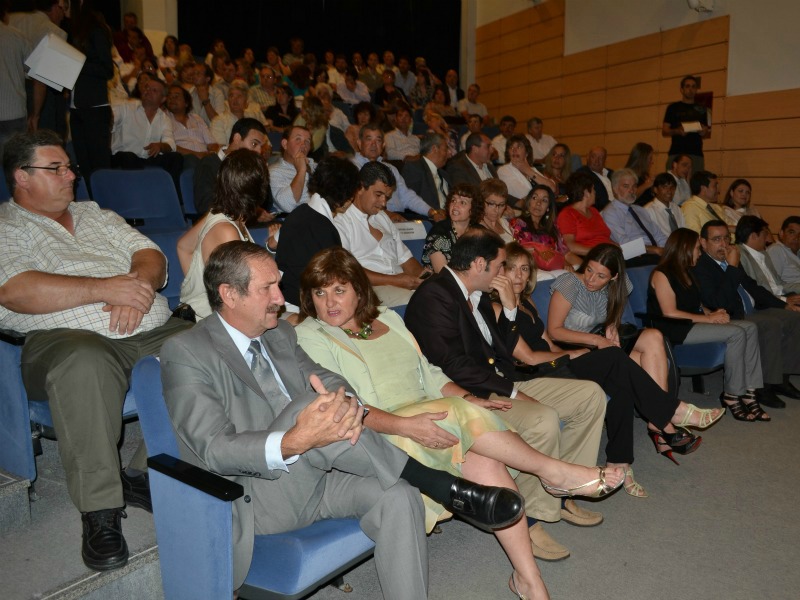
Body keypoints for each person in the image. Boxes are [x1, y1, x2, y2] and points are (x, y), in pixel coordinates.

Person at [160, 240, 524, 597]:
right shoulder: (188, 352)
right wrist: (295, 440)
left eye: (278, 283)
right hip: (257, 494)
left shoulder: (279, 335)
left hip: (319, 476)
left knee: (399, 497)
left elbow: (330, 379)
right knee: (308, 404)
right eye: (267, 288)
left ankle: (424, 489)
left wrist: (341, 403)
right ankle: (439, 483)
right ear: (229, 293)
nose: (279, 298)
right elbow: (214, 449)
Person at [296, 247, 625, 600]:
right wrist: (408, 425)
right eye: (320, 292)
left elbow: (432, 375)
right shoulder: (311, 336)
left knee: (488, 461)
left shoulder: (388, 319)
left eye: (339, 290)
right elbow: (347, 406)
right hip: (380, 434)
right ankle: (555, 473)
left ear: (359, 290)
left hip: (435, 414)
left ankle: (528, 580)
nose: (329, 301)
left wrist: (472, 401)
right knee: (455, 413)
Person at [0, 130, 193, 571]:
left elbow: (150, 256)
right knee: (83, 362)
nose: (71, 175)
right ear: (21, 177)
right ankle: (100, 510)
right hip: (62, 342)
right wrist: (104, 289)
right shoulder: (6, 227)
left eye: (70, 166)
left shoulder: (94, 214)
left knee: (207, 346)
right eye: (56, 168)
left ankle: (143, 472)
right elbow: (14, 290)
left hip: (145, 329)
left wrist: (137, 288)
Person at [405, 229, 611, 562]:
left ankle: (559, 494)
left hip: (502, 380)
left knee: (591, 395)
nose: (504, 273)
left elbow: (502, 352)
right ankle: (527, 518)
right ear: (478, 264)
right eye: (500, 265)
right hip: (469, 394)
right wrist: (514, 391)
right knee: (542, 418)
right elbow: (452, 365)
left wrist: (512, 310)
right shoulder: (435, 295)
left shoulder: (479, 293)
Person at [500, 242, 723, 495]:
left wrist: (597, 336)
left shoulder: (525, 304)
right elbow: (530, 355)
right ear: (498, 272)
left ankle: (620, 461)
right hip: (545, 369)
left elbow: (547, 343)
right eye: (511, 268)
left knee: (624, 379)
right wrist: (574, 352)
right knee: (616, 360)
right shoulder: (502, 307)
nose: (519, 275)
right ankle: (670, 410)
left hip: (562, 359)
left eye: (524, 269)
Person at [546, 244, 721, 465]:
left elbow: (613, 308)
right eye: (589, 270)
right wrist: (598, 340)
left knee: (653, 336)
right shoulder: (570, 283)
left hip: (601, 345)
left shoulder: (621, 284)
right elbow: (554, 330)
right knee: (635, 362)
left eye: (601, 276)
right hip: (574, 351)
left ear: (614, 277)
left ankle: (659, 421)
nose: (591, 279)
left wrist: (611, 324)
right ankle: (667, 416)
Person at [648, 228, 766, 421]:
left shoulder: (687, 271)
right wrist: (708, 319)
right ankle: (732, 394)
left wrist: (712, 313)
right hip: (675, 329)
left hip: (692, 323)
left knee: (750, 327)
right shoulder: (662, 274)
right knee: (736, 333)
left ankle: (750, 391)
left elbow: (695, 304)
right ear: (685, 249)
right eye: (697, 248)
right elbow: (670, 312)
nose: (700, 253)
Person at [692, 220, 800, 408]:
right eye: (717, 239)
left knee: (793, 317)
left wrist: (782, 304)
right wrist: (732, 268)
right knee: (770, 324)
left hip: (751, 309)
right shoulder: (701, 267)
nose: (724, 244)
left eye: (726, 238)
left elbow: (753, 287)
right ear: (703, 242)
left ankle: (782, 377)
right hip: (732, 315)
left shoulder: (730, 260)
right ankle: (764, 387)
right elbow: (718, 303)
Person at [178, 149, 276, 319]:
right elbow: (240, 295)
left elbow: (182, 247)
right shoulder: (227, 230)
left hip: (220, 313)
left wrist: (199, 286)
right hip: (217, 319)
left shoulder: (218, 214)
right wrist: (201, 296)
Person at [335, 162, 429, 307]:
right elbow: (348, 271)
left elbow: (406, 260)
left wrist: (425, 278)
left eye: (387, 197)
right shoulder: (341, 220)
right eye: (378, 195)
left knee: (442, 293)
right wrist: (396, 281)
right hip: (366, 289)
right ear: (360, 188)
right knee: (420, 301)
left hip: (399, 284)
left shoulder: (382, 217)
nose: (383, 203)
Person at [276, 156, 358, 309]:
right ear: (345, 196)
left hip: (287, 299)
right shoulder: (325, 229)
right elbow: (333, 283)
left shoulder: (298, 213)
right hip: (303, 306)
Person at [69, 0, 115, 196]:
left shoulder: (96, 31)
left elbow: (107, 69)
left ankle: (106, 210)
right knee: (84, 166)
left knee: (99, 168)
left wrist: (75, 62)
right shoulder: (72, 31)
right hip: (76, 106)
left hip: (95, 107)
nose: (64, 7)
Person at [192, 118, 269, 216]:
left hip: (245, 222)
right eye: (254, 144)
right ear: (237, 138)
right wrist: (251, 211)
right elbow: (205, 205)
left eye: (261, 147)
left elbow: (265, 202)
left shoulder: (251, 169)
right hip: (219, 224)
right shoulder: (209, 164)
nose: (259, 151)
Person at [509, 185, 578, 272]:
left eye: (544, 200)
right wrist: (562, 262)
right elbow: (528, 253)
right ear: (528, 202)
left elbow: (567, 254)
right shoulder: (518, 224)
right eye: (534, 198)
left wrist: (586, 268)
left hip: (555, 270)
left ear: (548, 208)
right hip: (533, 271)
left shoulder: (553, 229)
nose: (538, 203)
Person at [421, 184, 483, 272]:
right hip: (445, 283)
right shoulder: (439, 233)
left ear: (473, 209)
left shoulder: (480, 232)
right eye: (453, 200)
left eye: (462, 202)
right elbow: (443, 273)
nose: (455, 205)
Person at [736, 216, 800, 296]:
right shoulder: (740, 255)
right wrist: (783, 300)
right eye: (765, 235)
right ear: (754, 236)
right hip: (766, 303)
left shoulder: (763, 253)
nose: (767, 239)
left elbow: (779, 284)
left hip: (779, 296)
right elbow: (755, 290)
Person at [556, 171, 614, 258]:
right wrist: (599, 252)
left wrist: (617, 247)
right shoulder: (567, 214)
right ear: (586, 193)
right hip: (591, 258)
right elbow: (569, 246)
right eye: (593, 189)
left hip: (609, 254)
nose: (595, 192)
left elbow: (605, 237)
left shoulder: (594, 211)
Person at [662, 75, 710, 172]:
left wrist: (703, 132)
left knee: (696, 185)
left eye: (693, 86)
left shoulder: (703, 109)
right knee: (673, 184)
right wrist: (677, 131)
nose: (690, 89)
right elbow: (664, 131)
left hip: (696, 154)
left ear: (696, 89)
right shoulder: (672, 108)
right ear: (681, 89)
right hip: (677, 152)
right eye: (687, 86)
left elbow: (706, 133)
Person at [497, 135, 556, 200]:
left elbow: (552, 188)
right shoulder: (503, 171)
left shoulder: (532, 169)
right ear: (508, 153)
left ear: (527, 153)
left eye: (519, 147)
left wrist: (528, 171)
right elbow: (525, 195)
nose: (514, 150)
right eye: (511, 147)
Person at [643, 173, 687, 239]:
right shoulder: (648, 211)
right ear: (655, 190)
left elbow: (684, 229)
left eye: (672, 187)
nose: (669, 191)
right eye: (664, 187)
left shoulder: (676, 208)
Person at [766, 216, 800, 291]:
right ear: (781, 233)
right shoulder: (776, 250)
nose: (796, 237)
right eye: (792, 232)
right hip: (791, 294)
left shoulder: (798, 252)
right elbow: (772, 284)